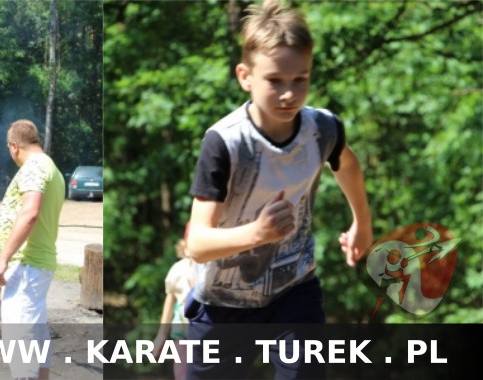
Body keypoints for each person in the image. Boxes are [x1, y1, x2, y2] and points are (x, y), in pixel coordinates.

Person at [183, 1, 372, 378]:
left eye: (300, 79)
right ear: (245, 76)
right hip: (224, 303)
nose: (289, 94)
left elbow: (347, 164)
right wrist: (258, 234)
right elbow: (198, 245)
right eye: (275, 81)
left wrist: (361, 224)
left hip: (294, 289)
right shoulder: (224, 143)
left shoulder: (323, 130)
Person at [0, 119, 65, 380]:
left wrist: (3, 258)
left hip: (26, 265)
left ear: (13, 146)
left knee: (21, 345)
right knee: (36, 336)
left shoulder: (33, 166)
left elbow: (31, 213)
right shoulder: (49, 166)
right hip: (36, 264)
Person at [152, 238, 193, 380]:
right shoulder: (179, 269)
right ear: (185, 247)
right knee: (182, 375)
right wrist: (161, 335)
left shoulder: (214, 269)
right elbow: (170, 300)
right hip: (182, 335)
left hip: (208, 335)